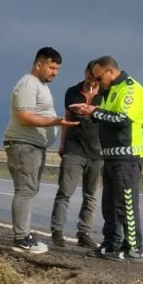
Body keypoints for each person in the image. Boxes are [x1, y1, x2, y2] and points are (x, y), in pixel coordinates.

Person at [70, 56, 143, 263]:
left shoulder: (131, 89)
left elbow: (122, 119)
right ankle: (111, 244)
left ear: (110, 72)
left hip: (128, 156)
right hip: (111, 156)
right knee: (109, 204)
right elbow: (106, 116)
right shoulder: (109, 91)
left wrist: (94, 111)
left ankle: (133, 249)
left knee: (127, 204)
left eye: (98, 77)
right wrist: (88, 113)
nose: (96, 82)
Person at [3, 47, 77, 254]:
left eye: (58, 69)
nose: (55, 72)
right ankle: (20, 238)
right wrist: (54, 121)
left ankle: (24, 233)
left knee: (30, 190)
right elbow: (24, 117)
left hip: (34, 146)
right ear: (39, 64)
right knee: (25, 190)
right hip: (23, 145)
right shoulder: (28, 84)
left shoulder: (40, 85)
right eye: (52, 67)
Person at [49, 62, 103, 248]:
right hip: (74, 149)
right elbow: (66, 118)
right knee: (65, 192)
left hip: (97, 152)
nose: (92, 82)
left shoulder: (106, 95)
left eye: (96, 79)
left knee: (91, 195)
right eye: (90, 78)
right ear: (85, 74)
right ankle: (57, 231)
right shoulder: (71, 92)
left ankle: (84, 233)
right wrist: (62, 144)